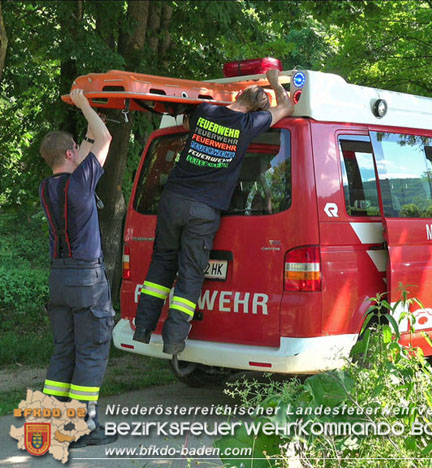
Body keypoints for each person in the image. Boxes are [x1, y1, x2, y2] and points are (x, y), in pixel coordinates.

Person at [133, 69, 294, 358]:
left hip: (173, 198)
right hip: (204, 208)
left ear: (238, 96)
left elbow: (184, 121)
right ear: (258, 109)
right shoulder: (248, 125)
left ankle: (143, 329)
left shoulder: (205, 110)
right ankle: (173, 340)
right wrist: (274, 82)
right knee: (191, 272)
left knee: (162, 263)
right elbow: (286, 106)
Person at [39, 89, 117, 447]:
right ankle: (84, 428)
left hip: (59, 278)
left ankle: (54, 423)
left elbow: (89, 145)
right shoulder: (81, 183)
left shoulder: (48, 187)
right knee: (91, 351)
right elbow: (104, 138)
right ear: (71, 155)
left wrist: (83, 137)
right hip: (87, 279)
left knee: (64, 351)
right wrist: (85, 103)